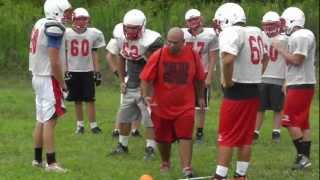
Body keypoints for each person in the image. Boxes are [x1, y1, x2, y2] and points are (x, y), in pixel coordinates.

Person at [211, 3, 268, 180]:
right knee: (245, 137)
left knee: (226, 137)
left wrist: (227, 81)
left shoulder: (231, 32)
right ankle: (241, 175)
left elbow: (228, 60)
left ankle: (220, 176)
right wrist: (257, 74)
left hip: (236, 93)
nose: (218, 24)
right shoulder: (256, 31)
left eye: (220, 20)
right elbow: (265, 57)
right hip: (253, 90)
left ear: (228, 19)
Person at [140, 27, 206, 178]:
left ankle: (186, 168)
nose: (170, 45)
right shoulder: (159, 55)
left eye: (175, 43)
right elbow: (145, 77)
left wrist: (201, 97)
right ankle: (165, 162)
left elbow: (199, 78)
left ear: (183, 42)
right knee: (163, 139)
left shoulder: (192, 55)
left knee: (185, 135)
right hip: (161, 105)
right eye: (168, 42)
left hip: (185, 105)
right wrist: (145, 95)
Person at [107, 9, 163, 160]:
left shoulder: (151, 41)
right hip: (130, 83)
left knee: (149, 119)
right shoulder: (120, 35)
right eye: (128, 27)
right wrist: (121, 80)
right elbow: (121, 56)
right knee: (124, 117)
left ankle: (150, 148)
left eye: (134, 28)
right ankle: (122, 145)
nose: (130, 31)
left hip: (147, 85)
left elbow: (156, 66)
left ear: (142, 27)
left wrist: (149, 89)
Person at [29, 0, 72, 172]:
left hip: (37, 76)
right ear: (56, 11)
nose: (69, 15)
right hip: (49, 77)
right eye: (66, 11)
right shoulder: (54, 26)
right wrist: (63, 84)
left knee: (41, 119)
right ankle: (51, 163)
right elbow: (54, 61)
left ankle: (37, 160)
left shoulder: (41, 23)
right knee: (50, 120)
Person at [272, 7, 316, 170]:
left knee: (289, 121)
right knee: (303, 123)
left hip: (301, 84)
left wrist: (280, 49)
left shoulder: (302, 35)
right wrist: (287, 81)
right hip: (300, 82)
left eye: (284, 22)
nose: (283, 26)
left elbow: (297, 60)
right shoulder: (300, 35)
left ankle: (303, 158)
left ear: (293, 21)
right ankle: (304, 159)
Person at [65, 7, 105, 134]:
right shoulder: (66, 33)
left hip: (87, 70)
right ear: (73, 19)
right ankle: (80, 125)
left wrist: (97, 72)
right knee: (77, 99)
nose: (81, 21)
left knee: (90, 99)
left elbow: (94, 53)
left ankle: (93, 125)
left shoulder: (93, 33)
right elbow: (64, 54)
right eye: (79, 19)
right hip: (72, 70)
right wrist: (65, 71)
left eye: (84, 19)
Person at [182, 9, 219, 143]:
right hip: (185, 74)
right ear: (186, 22)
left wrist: (209, 76)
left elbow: (213, 57)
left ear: (201, 19)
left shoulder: (210, 35)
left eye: (195, 19)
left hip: (201, 73)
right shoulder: (182, 34)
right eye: (190, 20)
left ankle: (199, 132)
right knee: (183, 104)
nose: (193, 22)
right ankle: (183, 130)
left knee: (201, 106)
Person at [254, 11, 287, 142]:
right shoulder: (259, 36)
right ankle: (255, 131)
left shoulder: (285, 39)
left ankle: (276, 132)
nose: (268, 28)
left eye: (271, 25)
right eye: (266, 25)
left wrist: (286, 80)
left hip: (278, 76)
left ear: (279, 24)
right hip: (262, 76)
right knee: (259, 107)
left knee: (277, 108)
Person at [105, 39, 142, 138]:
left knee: (139, 103)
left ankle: (134, 129)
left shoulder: (142, 39)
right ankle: (117, 129)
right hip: (127, 74)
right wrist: (117, 72)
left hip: (139, 74)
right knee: (125, 104)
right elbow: (109, 56)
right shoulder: (118, 38)